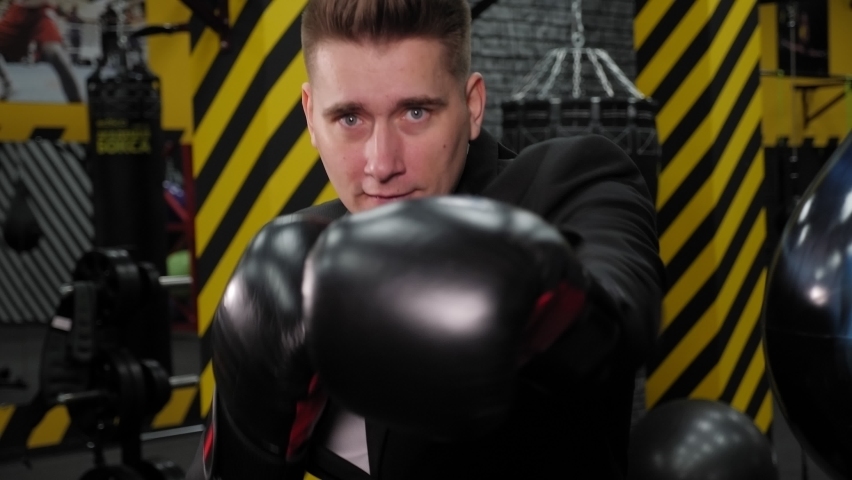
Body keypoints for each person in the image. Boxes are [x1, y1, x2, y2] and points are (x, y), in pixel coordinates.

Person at [186, 0, 663, 479]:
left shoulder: (573, 181)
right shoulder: (299, 268)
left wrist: (535, 301)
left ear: (472, 105)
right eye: (350, 118)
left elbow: (623, 314)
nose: (382, 164)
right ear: (312, 117)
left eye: (415, 112)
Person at [0, 0, 82, 102]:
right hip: (20, 9)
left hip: (41, 12)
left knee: (53, 51)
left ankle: (77, 103)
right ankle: (8, 84)